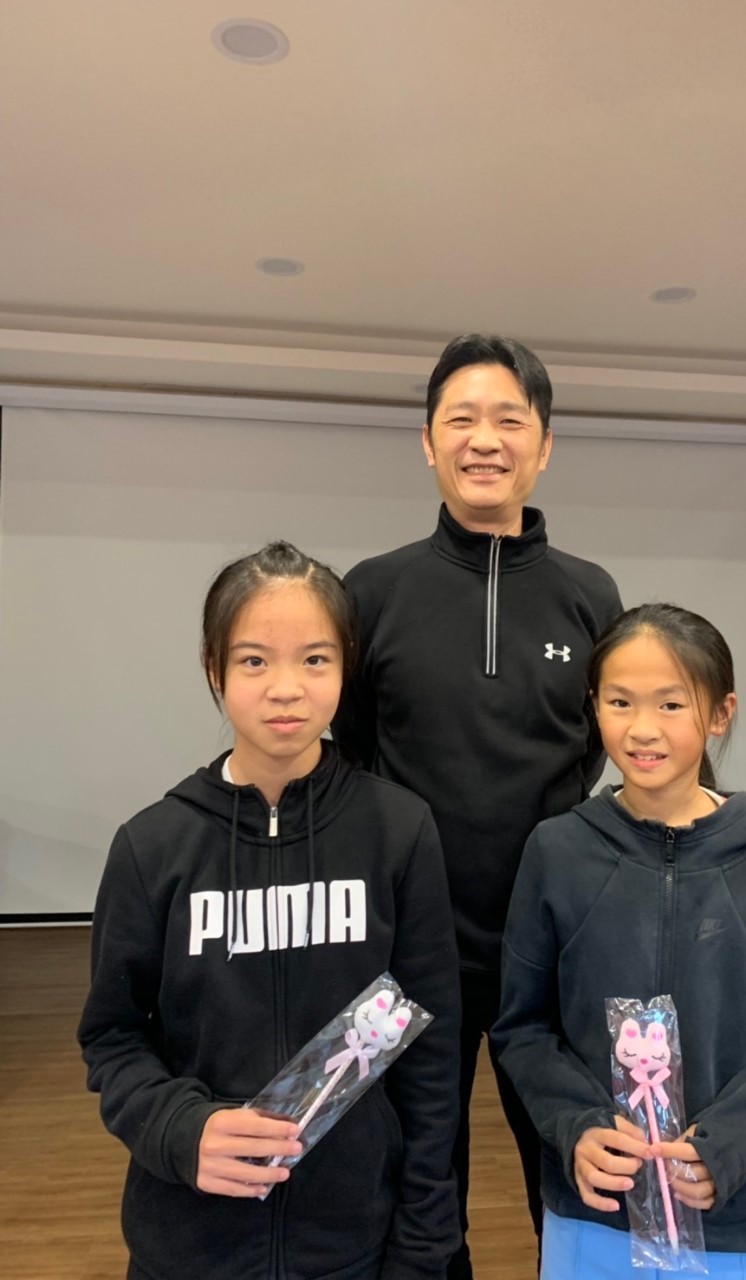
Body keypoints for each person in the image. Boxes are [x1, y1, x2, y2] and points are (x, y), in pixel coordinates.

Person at [78, 541, 461, 1280]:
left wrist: (423, 1244)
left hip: (355, 1242)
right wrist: (180, 1128)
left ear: (346, 668)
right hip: (189, 1244)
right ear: (214, 669)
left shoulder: (399, 831)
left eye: (315, 660)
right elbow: (112, 1036)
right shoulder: (152, 846)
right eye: (254, 661)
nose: (286, 688)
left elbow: (430, 1055)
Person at [332, 335, 622, 1277]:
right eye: (461, 419)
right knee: (415, 1170)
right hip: (409, 945)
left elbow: (596, 748)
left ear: (545, 444)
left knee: (575, 1166)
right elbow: (357, 751)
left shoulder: (591, 596)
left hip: (555, 945)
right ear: (428, 441)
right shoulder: (371, 591)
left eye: (509, 420)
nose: (484, 439)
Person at [492, 603, 746, 1279]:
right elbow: (522, 1026)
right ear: (593, 706)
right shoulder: (557, 850)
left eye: (671, 704)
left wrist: (728, 1145)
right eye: (619, 702)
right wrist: (577, 1126)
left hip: (734, 1213)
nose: (642, 728)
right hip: (594, 1209)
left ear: (719, 713)